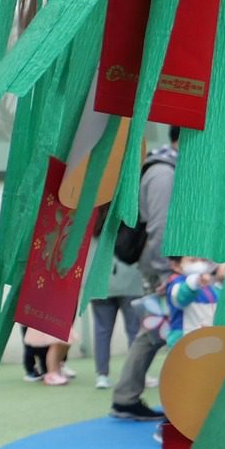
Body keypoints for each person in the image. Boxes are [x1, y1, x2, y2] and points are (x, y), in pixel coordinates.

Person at [109, 127, 178, 421]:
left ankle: (125, 396)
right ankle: (128, 397)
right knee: (160, 330)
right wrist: (167, 273)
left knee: (152, 330)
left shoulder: (161, 167)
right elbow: (160, 228)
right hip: (164, 267)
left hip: (162, 266)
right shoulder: (165, 173)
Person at [91, 259, 144, 390]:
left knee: (102, 330)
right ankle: (136, 375)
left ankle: (102, 375)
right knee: (134, 331)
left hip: (99, 279)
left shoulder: (92, 237)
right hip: (131, 280)